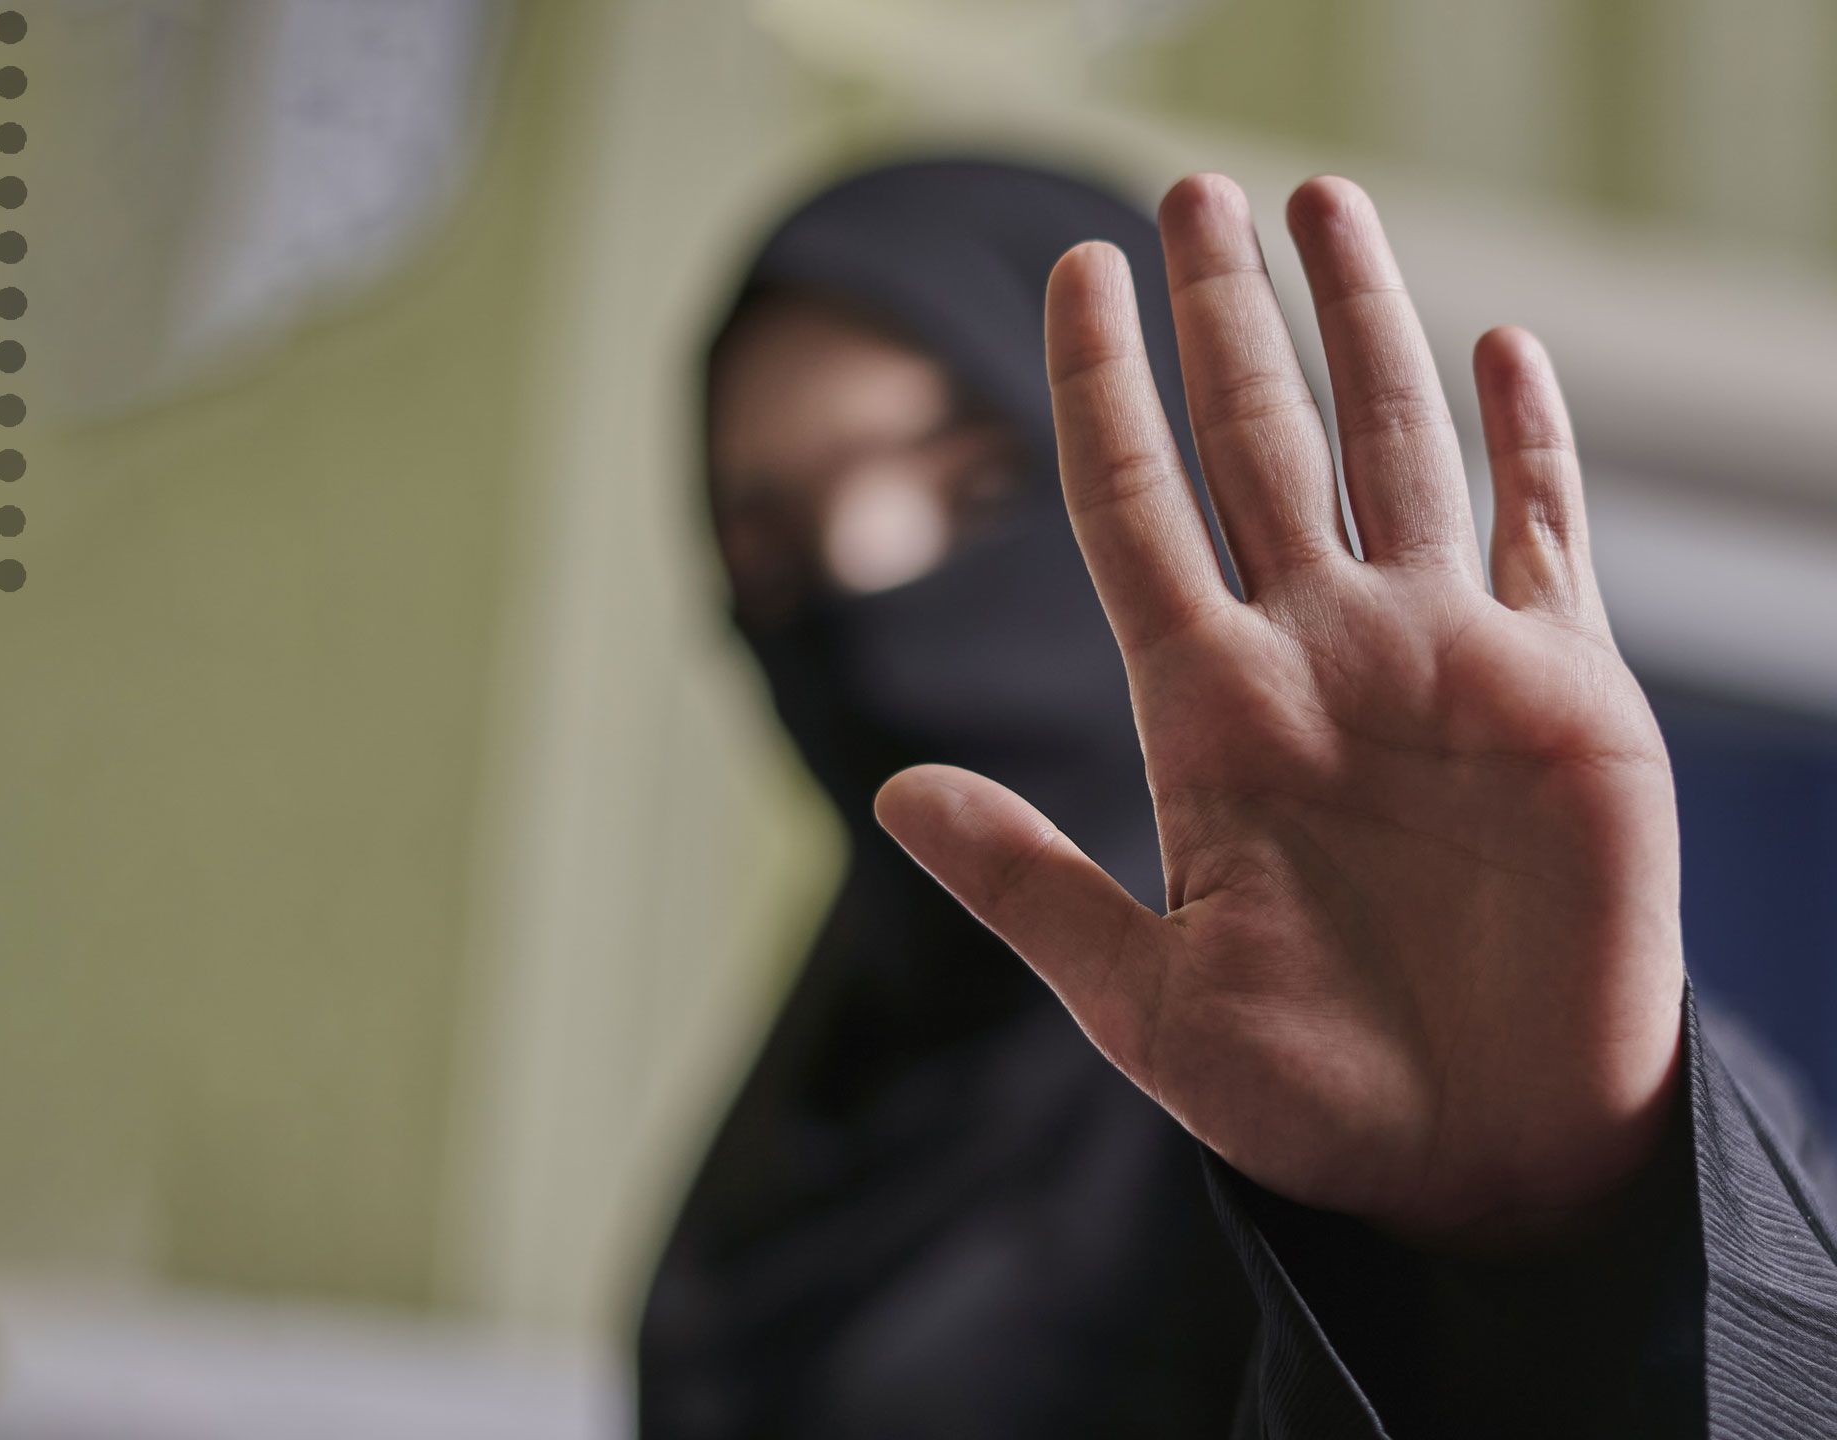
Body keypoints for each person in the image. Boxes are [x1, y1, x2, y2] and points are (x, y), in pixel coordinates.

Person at [639, 158, 1837, 1438]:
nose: (863, 585)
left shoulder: (1476, 1055)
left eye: (975, 483)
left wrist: (1552, 1241)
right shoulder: (823, 1095)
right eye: (770, 551)